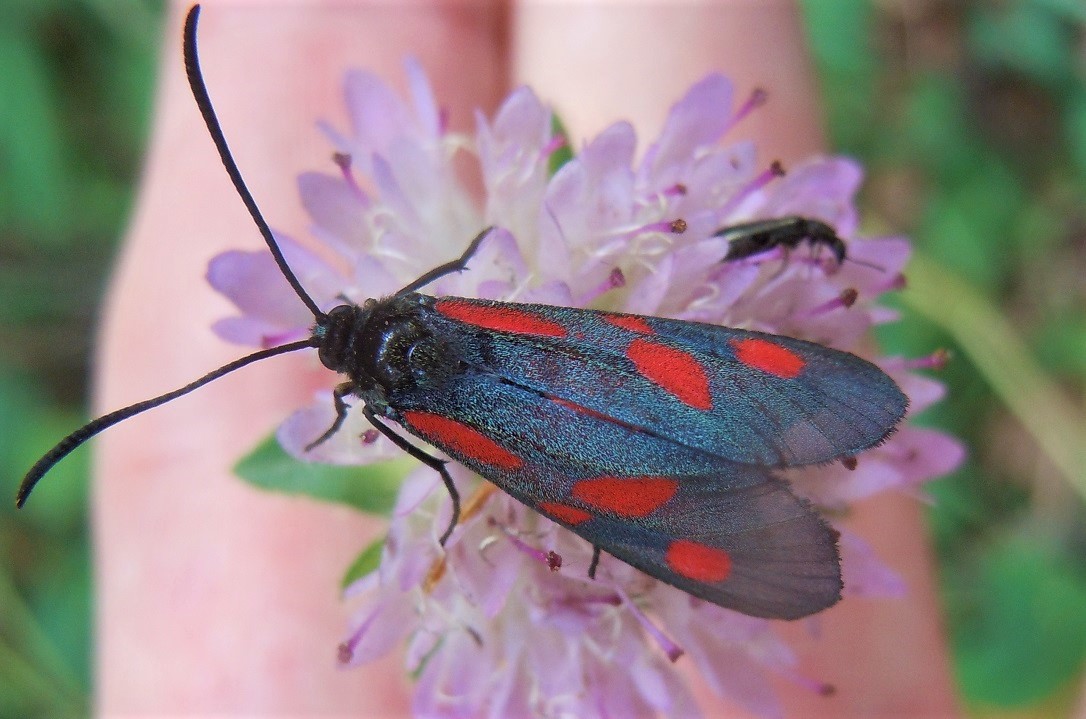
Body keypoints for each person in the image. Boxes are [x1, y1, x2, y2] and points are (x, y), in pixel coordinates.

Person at [96, 1, 958, 714]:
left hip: (586, 479)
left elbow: (418, 443)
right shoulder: (431, 307)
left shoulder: (392, 408)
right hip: (639, 366)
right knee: (697, 380)